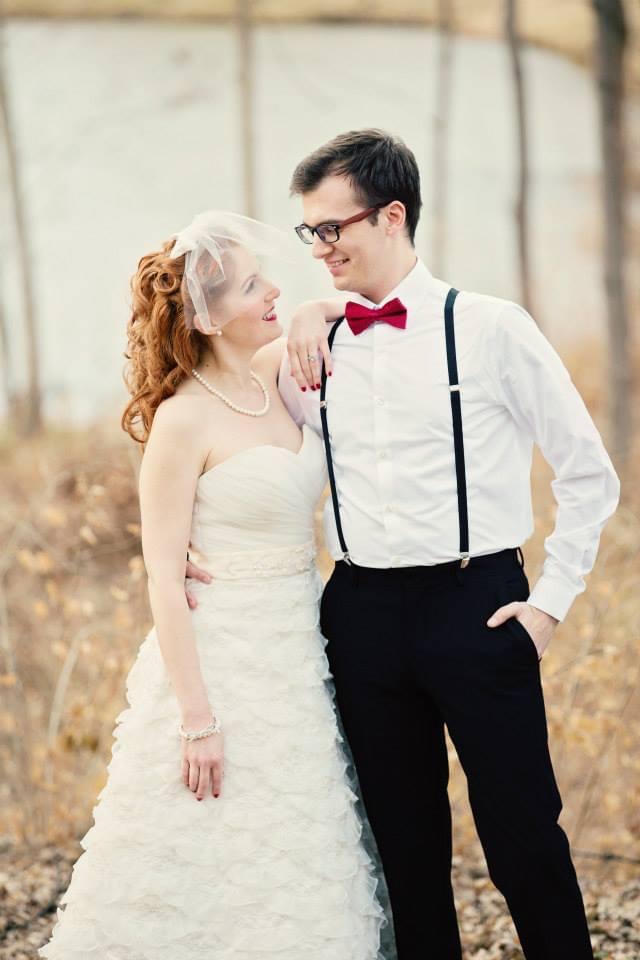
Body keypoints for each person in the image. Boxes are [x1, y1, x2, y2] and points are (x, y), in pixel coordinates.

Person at [189, 130, 621, 960]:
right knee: (402, 853)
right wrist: (191, 541)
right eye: (310, 232)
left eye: (332, 228)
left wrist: (549, 605)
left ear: (391, 216)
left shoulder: (492, 328)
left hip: (478, 603)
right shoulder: (307, 346)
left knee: (525, 838)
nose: (319, 248)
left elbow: (588, 474)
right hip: (361, 615)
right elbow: (216, 418)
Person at [37, 211, 386, 960]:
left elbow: (355, 308)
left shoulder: (272, 375)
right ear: (205, 316)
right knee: (209, 838)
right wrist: (197, 718)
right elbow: (164, 579)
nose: (274, 292)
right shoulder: (181, 422)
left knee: (294, 837)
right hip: (221, 657)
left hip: (298, 654)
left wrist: (312, 310)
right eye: (253, 287)